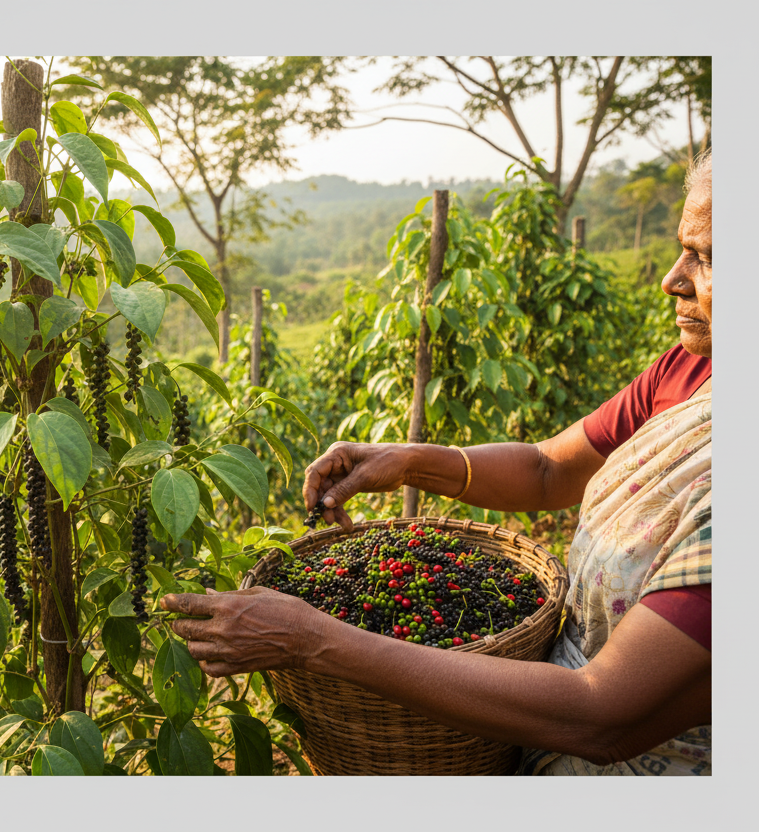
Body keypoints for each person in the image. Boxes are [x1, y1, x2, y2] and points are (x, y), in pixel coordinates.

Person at [161, 151, 713, 776]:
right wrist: (404, 461)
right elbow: (546, 469)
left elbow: (602, 716)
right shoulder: (690, 367)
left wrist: (315, 638)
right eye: (683, 248)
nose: (673, 278)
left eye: (709, 256)